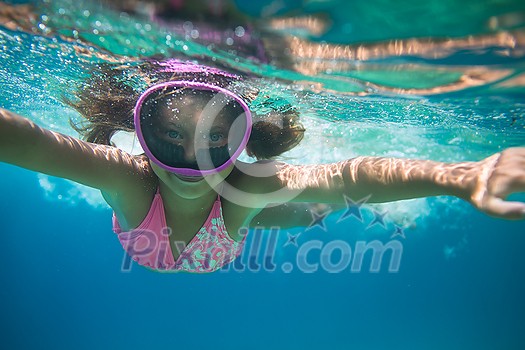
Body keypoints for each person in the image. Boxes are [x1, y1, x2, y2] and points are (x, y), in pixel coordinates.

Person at [1, 57, 524, 273]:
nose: (191, 164)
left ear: (238, 140)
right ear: (143, 134)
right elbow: (32, 143)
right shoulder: (127, 175)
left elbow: (347, 176)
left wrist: (461, 177)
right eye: (170, 137)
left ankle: (318, 211)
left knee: (311, 205)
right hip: (208, 226)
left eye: (215, 140)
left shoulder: (243, 183)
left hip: (230, 222)